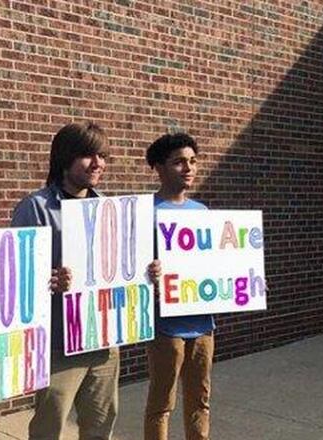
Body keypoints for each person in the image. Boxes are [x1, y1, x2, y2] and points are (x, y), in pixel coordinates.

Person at [11, 121, 120, 440]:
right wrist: (46, 280)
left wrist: (146, 273)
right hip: (58, 343)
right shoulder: (36, 207)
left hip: (103, 341)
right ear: (65, 158)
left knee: (101, 425)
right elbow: (15, 275)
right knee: (50, 427)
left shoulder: (109, 209)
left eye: (102, 155)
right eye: (88, 154)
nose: (98, 163)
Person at [144, 132, 213, 440]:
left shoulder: (202, 212)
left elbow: (218, 263)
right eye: (179, 162)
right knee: (162, 404)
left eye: (193, 161)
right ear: (158, 167)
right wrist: (148, 274)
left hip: (203, 325)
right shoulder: (145, 212)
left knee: (200, 400)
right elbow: (130, 270)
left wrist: (246, 281)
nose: (189, 168)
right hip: (166, 327)